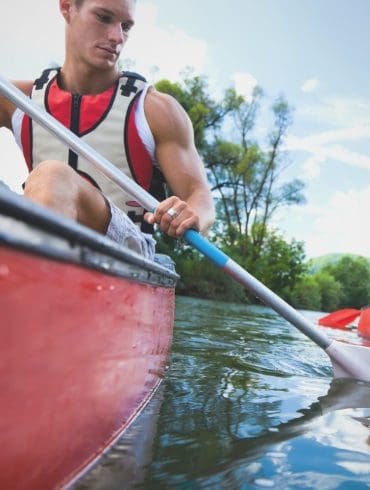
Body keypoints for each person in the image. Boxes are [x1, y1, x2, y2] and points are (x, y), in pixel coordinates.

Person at [0, 0, 215, 259]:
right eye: (103, 18)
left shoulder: (155, 110)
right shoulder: (17, 99)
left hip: (127, 249)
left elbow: (200, 196)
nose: (117, 37)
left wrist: (192, 215)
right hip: (37, 230)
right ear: (68, 7)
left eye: (126, 26)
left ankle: (29, 284)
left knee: (52, 176)